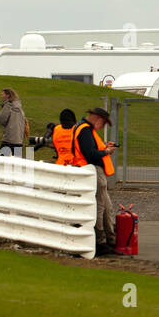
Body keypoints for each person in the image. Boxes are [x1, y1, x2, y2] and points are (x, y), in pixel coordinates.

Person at [53, 107, 119, 257]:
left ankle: (108, 240)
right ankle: (100, 241)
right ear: (97, 118)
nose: (102, 127)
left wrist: (103, 148)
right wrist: (106, 152)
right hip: (93, 170)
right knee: (100, 207)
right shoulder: (85, 130)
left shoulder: (84, 129)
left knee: (105, 207)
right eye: (103, 123)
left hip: (90, 170)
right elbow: (90, 154)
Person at [0, 87, 27, 157]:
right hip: (19, 139)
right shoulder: (19, 107)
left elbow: (1, 120)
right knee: (16, 162)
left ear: (8, 95)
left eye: (2, 94)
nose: (1, 96)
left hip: (9, 138)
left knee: (1, 162)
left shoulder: (8, 106)